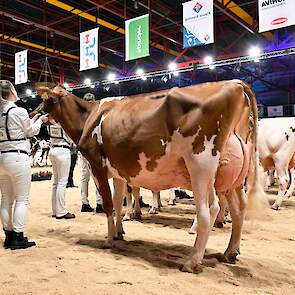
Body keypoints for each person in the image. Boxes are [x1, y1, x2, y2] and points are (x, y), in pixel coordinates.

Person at [0, 80, 48, 249]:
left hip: (2, 158)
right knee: (22, 199)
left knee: (6, 199)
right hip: (18, 158)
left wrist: (35, 116)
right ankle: (19, 237)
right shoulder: (18, 110)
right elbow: (30, 131)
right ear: (11, 92)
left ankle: (8, 234)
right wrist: (41, 120)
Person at [79, 93, 103, 213]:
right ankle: (99, 203)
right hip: (93, 148)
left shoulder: (80, 116)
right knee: (96, 175)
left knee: (85, 176)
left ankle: (85, 202)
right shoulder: (96, 114)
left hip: (84, 148)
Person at [48, 118, 75, 219]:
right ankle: (61, 211)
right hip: (63, 151)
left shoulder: (51, 123)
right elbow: (72, 138)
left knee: (56, 182)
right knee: (62, 182)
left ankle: (55, 210)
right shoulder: (65, 123)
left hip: (53, 149)